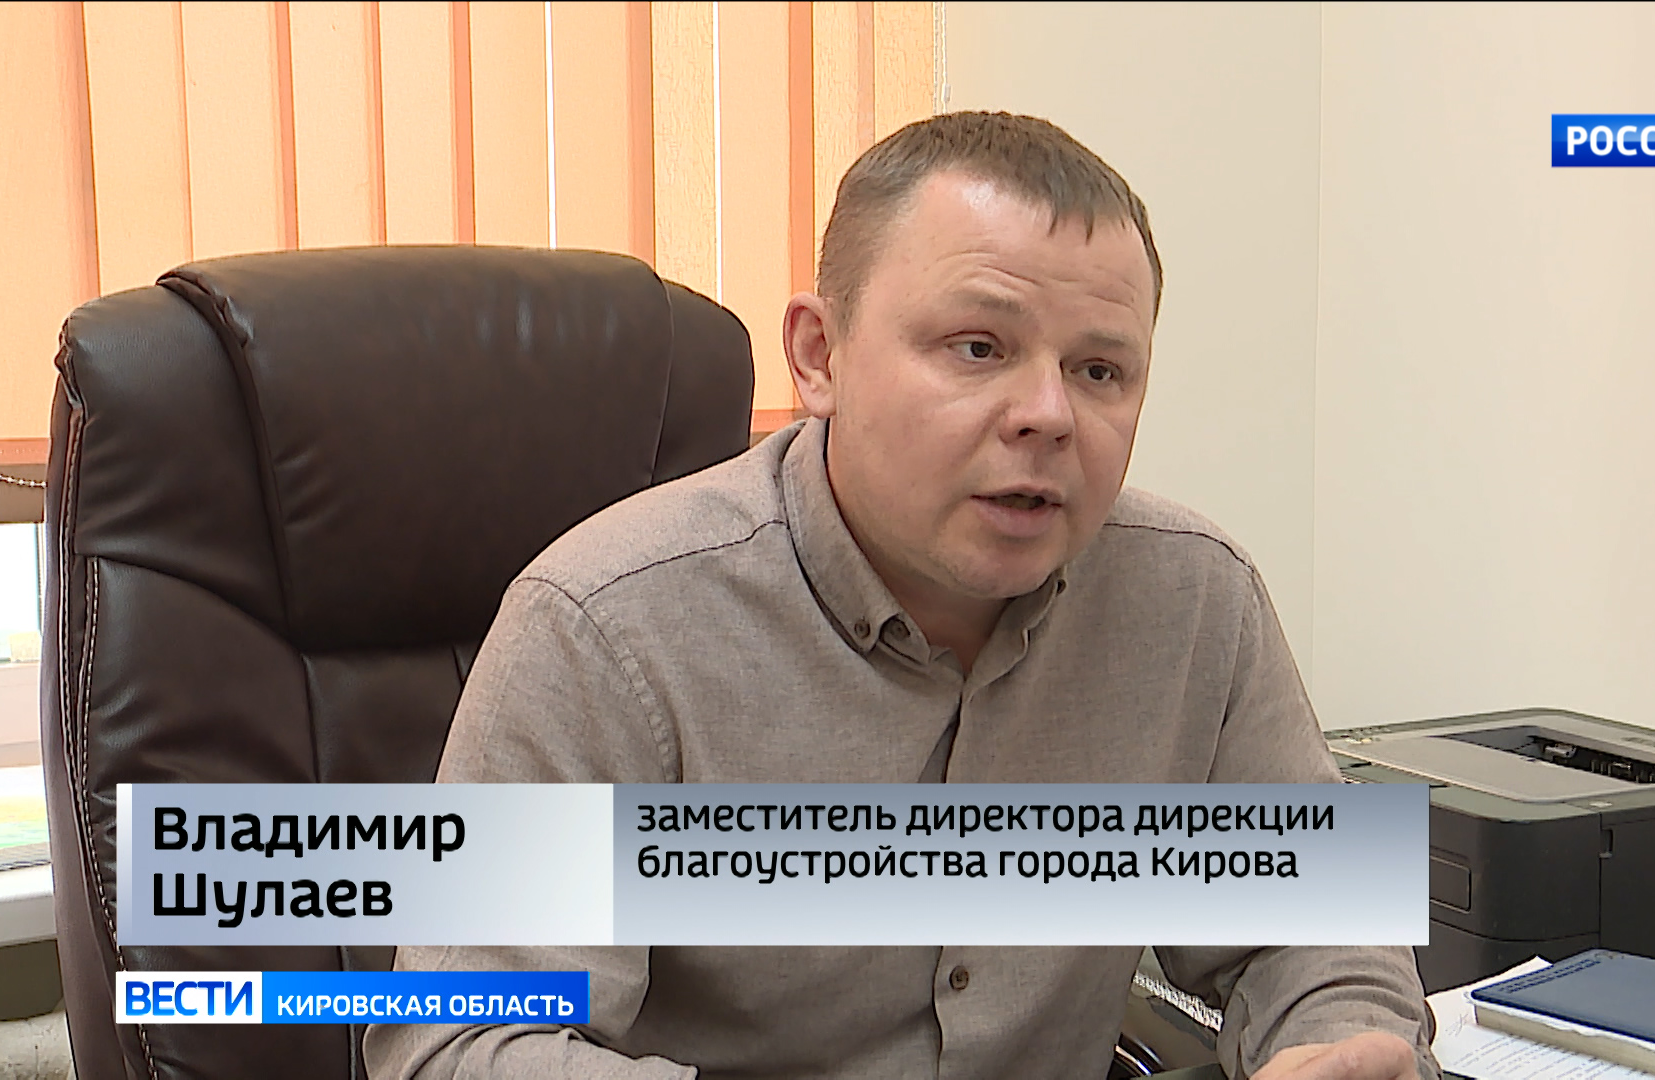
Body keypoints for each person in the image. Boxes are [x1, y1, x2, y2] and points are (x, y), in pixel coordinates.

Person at [365, 111, 1436, 1080]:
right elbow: (456, 1045)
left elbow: (1322, 939)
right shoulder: (604, 624)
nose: (1049, 414)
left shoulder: (1198, 599)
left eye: (1101, 370)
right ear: (819, 356)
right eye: (978, 348)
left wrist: (1337, 1044)